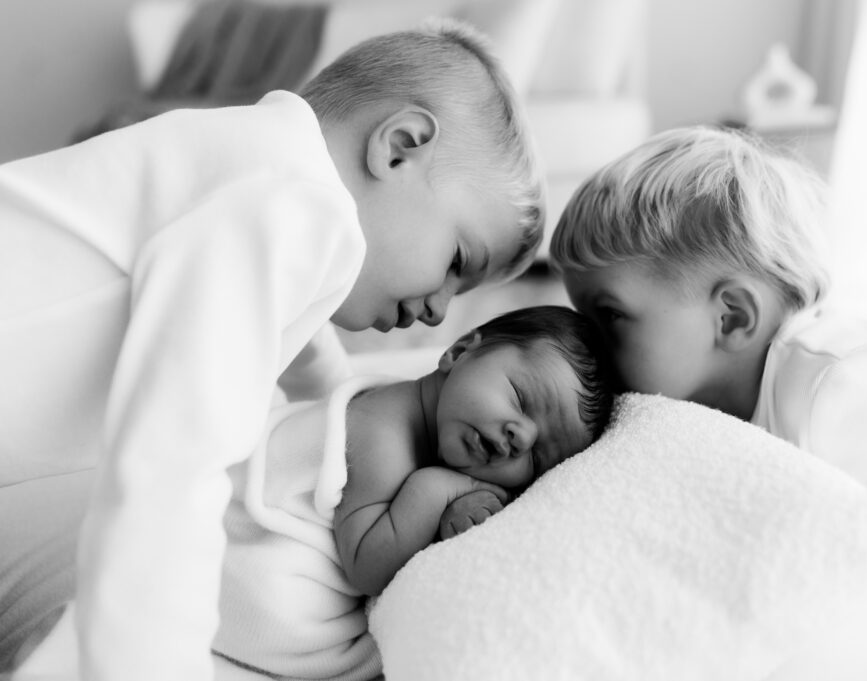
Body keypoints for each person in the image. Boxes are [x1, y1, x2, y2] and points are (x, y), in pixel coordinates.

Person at [0, 21, 544, 679]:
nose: (439, 306)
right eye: (458, 260)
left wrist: (347, 398)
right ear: (400, 147)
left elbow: (295, 347)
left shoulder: (262, 180)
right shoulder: (295, 205)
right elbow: (174, 455)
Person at [549, 126, 867, 586]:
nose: (584, 340)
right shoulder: (696, 409)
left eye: (608, 315)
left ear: (732, 318)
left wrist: (817, 529)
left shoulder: (843, 384)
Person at [213, 305, 615, 678]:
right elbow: (367, 565)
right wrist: (434, 489)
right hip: (235, 555)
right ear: (458, 352)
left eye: (539, 457)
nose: (520, 436)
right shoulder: (382, 428)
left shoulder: (434, 421)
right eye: (521, 399)